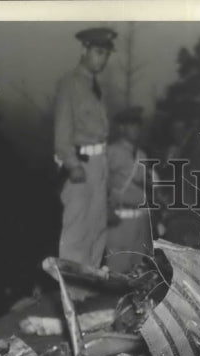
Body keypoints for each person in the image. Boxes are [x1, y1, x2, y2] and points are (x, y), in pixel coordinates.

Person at [53, 27, 116, 268]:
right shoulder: (69, 84)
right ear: (84, 50)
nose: (103, 59)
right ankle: (72, 289)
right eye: (99, 52)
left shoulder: (96, 88)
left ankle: (89, 287)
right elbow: (62, 132)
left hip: (100, 165)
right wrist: (72, 164)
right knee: (77, 230)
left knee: (97, 228)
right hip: (81, 166)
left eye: (106, 54)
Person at [105, 106, 153, 272]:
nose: (136, 129)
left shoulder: (142, 155)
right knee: (117, 271)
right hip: (120, 220)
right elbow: (99, 183)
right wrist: (106, 210)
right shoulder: (111, 152)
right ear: (121, 128)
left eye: (138, 125)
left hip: (141, 220)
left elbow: (144, 187)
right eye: (131, 125)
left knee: (139, 272)